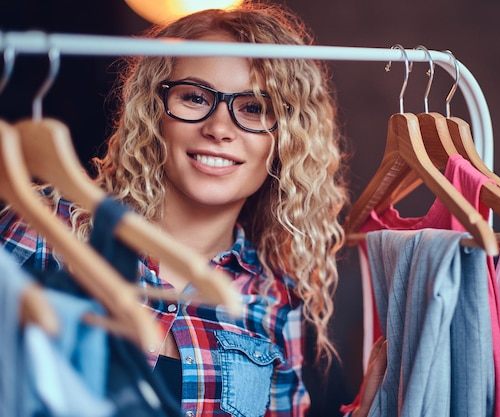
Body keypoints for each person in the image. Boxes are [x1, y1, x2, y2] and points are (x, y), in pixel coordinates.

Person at [0, 3, 387, 416]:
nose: (219, 128)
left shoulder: (275, 300)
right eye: (195, 97)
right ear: (154, 113)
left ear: (286, 139)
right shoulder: (41, 234)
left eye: (254, 107)